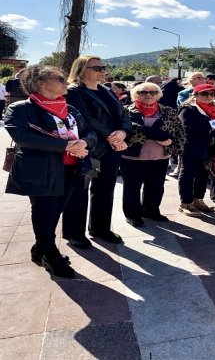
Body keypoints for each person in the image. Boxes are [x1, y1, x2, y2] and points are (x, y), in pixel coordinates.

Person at [4, 66, 97, 278]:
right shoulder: (20, 109)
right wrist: (65, 146)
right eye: (60, 79)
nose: (66, 82)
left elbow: (90, 132)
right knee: (44, 211)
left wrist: (84, 141)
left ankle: (40, 248)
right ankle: (51, 254)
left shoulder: (70, 109)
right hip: (41, 171)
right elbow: (23, 137)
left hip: (73, 169)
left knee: (56, 211)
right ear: (41, 83)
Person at [63, 55, 130, 247]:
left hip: (112, 147)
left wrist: (123, 131)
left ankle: (100, 228)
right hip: (88, 146)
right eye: (97, 68)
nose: (102, 70)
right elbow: (84, 118)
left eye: (103, 67)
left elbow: (123, 112)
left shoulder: (106, 89)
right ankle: (74, 233)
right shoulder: (74, 91)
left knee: (105, 188)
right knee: (79, 190)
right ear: (82, 70)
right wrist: (112, 135)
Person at [121, 82, 184, 226]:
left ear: (158, 95)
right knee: (132, 188)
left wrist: (171, 141)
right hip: (133, 156)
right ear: (136, 94)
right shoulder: (126, 111)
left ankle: (151, 210)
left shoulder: (167, 111)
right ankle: (133, 215)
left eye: (153, 92)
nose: (148, 95)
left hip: (160, 156)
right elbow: (127, 130)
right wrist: (155, 135)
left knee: (156, 186)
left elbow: (178, 130)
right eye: (143, 92)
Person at [177, 83, 215, 216]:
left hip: (208, 148)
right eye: (204, 93)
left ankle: (198, 200)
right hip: (191, 148)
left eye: (212, 94)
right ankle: (185, 203)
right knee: (188, 175)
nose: (209, 97)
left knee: (203, 175)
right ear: (195, 95)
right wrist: (211, 130)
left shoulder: (213, 110)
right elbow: (186, 131)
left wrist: (214, 132)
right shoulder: (188, 109)